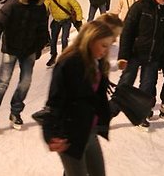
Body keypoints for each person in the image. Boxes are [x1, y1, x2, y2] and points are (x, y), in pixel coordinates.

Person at [42, 21, 114, 176]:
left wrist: (116, 106)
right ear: (90, 40)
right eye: (103, 45)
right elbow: (54, 101)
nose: (107, 50)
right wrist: (51, 134)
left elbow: (95, 99)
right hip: (69, 136)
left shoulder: (98, 62)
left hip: (89, 131)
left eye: (109, 45)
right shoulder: (69, 63)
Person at [0, 0, 48, 135]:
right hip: (11, 49)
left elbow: (42, 31)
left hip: (29, 50)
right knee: (3, 82)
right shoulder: (13, 3)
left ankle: (16, 112)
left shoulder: (40, 8)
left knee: (25, 82)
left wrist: (39, 48)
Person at [32, 13, 123, 126]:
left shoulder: (100, 48)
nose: (115, 40)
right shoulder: (81, 51)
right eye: (115, 35)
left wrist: (116, 66)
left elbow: (101, 66)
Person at [109, 0, 164, 129]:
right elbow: (127, 32)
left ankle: (141, 116)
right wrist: (123, 56)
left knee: (147, 88)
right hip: (134, 54)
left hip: (152, 57)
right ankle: (106, 115)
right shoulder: (140, 7)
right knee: (124, 86)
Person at [44, 0, 83, 67]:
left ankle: (64, 57)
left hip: (66, 20)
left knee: (64, 39)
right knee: (53, 40)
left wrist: (78, 18)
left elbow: (76, 6)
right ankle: (53, 55)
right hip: (56, 21)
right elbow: (44, 7)